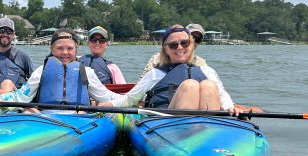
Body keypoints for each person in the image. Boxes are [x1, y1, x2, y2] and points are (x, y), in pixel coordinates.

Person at [101, 25, 242, 115]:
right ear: (166, 49)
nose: (180, 48)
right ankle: (188, 135)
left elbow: (222, 94)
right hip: (168, 123)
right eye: (173, 45)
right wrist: (110, 104)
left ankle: (208, 134)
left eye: (185, 43)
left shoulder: (207, 70)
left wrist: (230, 107)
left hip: (207, 123)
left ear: (191, 45)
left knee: (209, 85)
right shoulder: (155, 73)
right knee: (190, 86)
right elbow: (130, 98)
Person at [0, 28, 122, 106]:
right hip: (47, 120)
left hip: (79, 120)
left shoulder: (87, 73)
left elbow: (108, 97)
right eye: (60, 48)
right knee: (28, 110)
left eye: (70, 48)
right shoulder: (41, 71)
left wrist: (129, 99)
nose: (65, 52)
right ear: (52, 50)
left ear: (76, 49)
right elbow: (19, 97)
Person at [140, 23, 206, 78]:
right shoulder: (156, 59)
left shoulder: (201, 64)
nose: (193, 41)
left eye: (198, 39)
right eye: (191, 37)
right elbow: (143, 81)